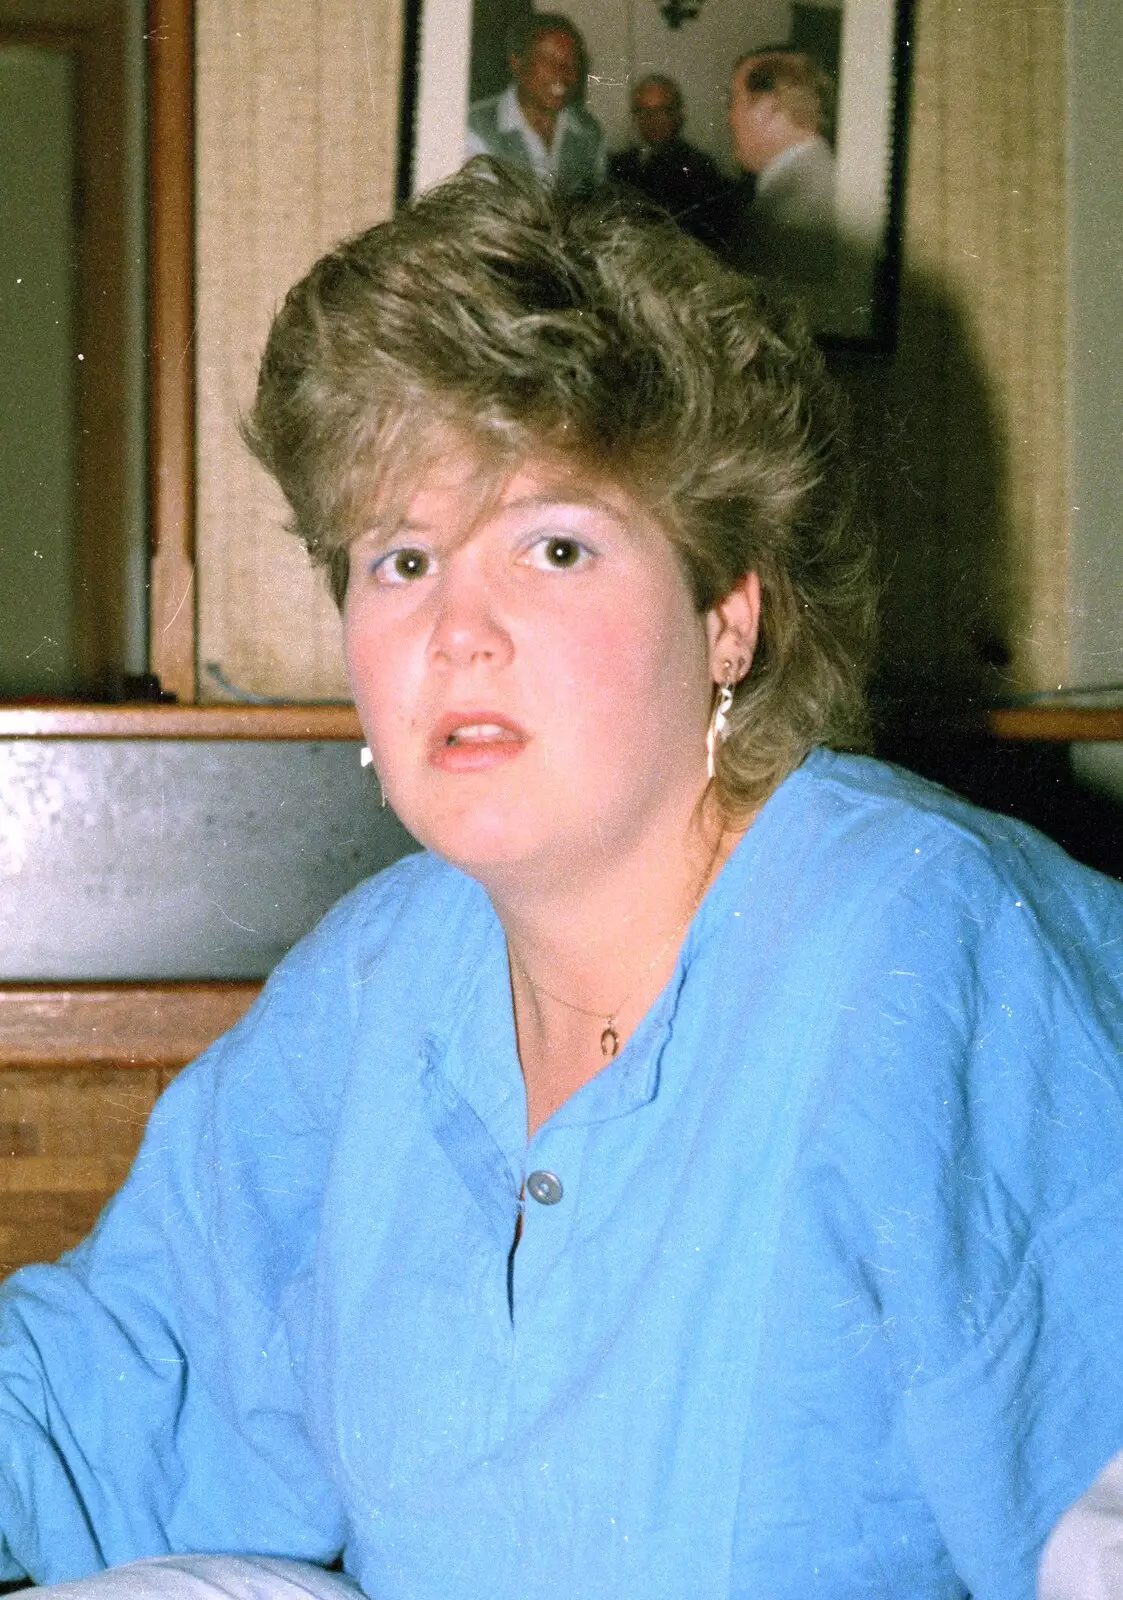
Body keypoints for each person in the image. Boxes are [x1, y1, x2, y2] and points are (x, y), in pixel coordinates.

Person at [1, 161, 1122, 1600]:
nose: (455, 631)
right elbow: (118, 1381)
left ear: (728, 617)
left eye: (552, 546)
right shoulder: (375, 984)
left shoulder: (924, 947)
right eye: (400, 559)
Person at [727, 47, 838, 310]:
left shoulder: (796, 209)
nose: (730, 117)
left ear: (765, 109)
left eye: (733, 101)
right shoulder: (814, 178)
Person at [465, 12, 605, 195]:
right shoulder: (476, 127)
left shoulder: (588, 131)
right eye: (548, 60)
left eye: (571, 61)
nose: (563, 72)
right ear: (517, 63)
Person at [608, 73, 730, 245]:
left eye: (662, 110)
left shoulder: (700, 167)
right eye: (644, 111)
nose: (652, 120)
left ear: (678, 115)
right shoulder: (618, 164)